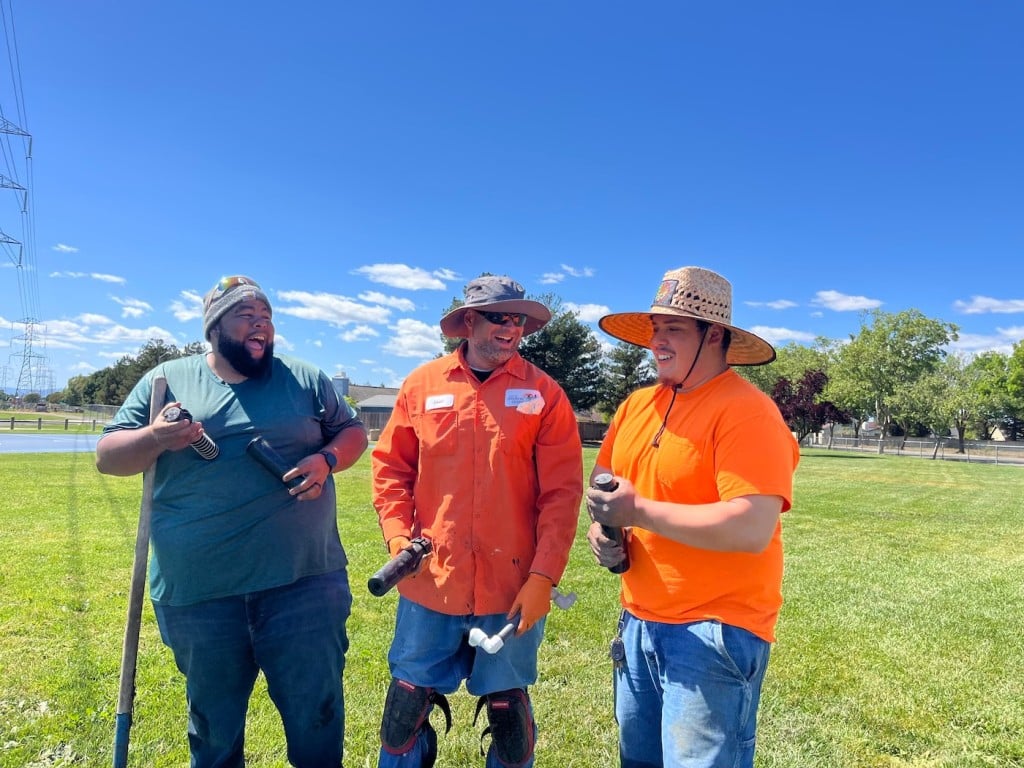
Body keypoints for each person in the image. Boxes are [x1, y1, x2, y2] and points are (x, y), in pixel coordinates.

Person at [96, 274, 368, 768]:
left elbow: (351, 431)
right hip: (201, 595)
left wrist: (327, 460)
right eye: (248, 315)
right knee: (214, 735)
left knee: (317, 725)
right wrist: (156, 437)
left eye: (267, 316)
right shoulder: (167, 380)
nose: (262, 324)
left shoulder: (305, 378)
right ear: (215, 326)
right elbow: (108, 457)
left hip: (304, 586)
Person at [586, 266, 800, 768]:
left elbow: (750, 527)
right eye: (656, 329)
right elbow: (604, 485)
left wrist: (637, 510)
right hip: (638, 619)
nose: (657, 341)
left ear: (716, 335)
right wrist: (603, 527)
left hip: (715, 630)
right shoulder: (637, 404)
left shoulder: (747, 411)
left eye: (674, 329)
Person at [371, 275, 583, 768]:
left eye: (519, 320)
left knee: (511, 722)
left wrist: (543, 576)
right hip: (430, 581)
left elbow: (561, 494)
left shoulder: (545, 395)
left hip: (512, 590)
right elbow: (390, 471)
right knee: (403, 713)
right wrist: (399, 539)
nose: (511, 329)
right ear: (469, 321)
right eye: (498, 317)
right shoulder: (421, 386)